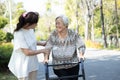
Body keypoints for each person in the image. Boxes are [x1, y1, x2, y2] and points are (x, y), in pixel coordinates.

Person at [8, 11, 48, 80]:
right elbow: (27, 52)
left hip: (32, 63)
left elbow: (31, 41)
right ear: (28, 24)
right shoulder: (19, 33)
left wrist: (42, 43)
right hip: (23, 65)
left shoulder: (30, 30)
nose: (36, 25)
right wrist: (42, 51)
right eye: (35, 23)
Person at [45, 15, 86, 80]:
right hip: (58, 66)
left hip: (73, 64)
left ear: (65, 24)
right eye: (56, 23)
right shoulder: (53, 34)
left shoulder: (73, 33)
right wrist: (46, 58)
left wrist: (81, 55)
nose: (57, 25)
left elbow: (81, 45)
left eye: (59, 23)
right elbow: (48, 47)